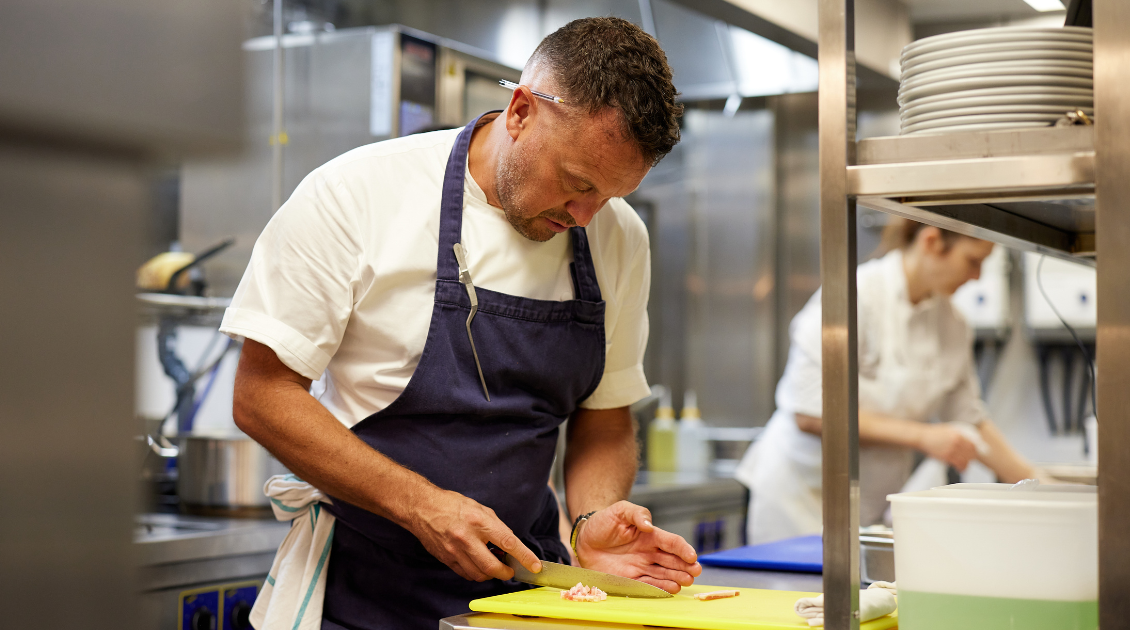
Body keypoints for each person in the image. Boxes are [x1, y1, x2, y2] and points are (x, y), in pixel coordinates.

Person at [222, 17, 701, 629]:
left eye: (608, 196)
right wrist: (422, 505)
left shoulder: (619, 236)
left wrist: (591, 521)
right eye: (577, 184)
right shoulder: (357, 194)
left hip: (521, 600)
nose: (585, 216)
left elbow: (604, 417)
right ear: (521, 111)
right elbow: (262, 395)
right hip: (362, 593)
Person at [736, 219, 1049, 545]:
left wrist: (1038, 482)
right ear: (931, 242)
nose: (977, 277)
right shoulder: (855, 296)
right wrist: (925, 436)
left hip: (863, 508)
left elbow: (970, 420)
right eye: (973, 261)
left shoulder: (952, 324)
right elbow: (811, 411)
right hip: (796, 497)